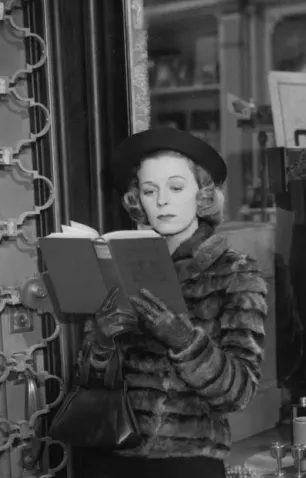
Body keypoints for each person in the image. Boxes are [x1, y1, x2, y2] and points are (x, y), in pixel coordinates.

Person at [78, 128, 268, 478]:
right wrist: (101, 343)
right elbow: (89, 381)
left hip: (187, 461)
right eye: (150, 191)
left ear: (203, 195)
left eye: (176, 187)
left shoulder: (235, 272)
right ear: (138, 200)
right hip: (110, 452)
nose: (162, 201)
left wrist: (185, 342)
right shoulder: (117, 263)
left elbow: (239, 392)